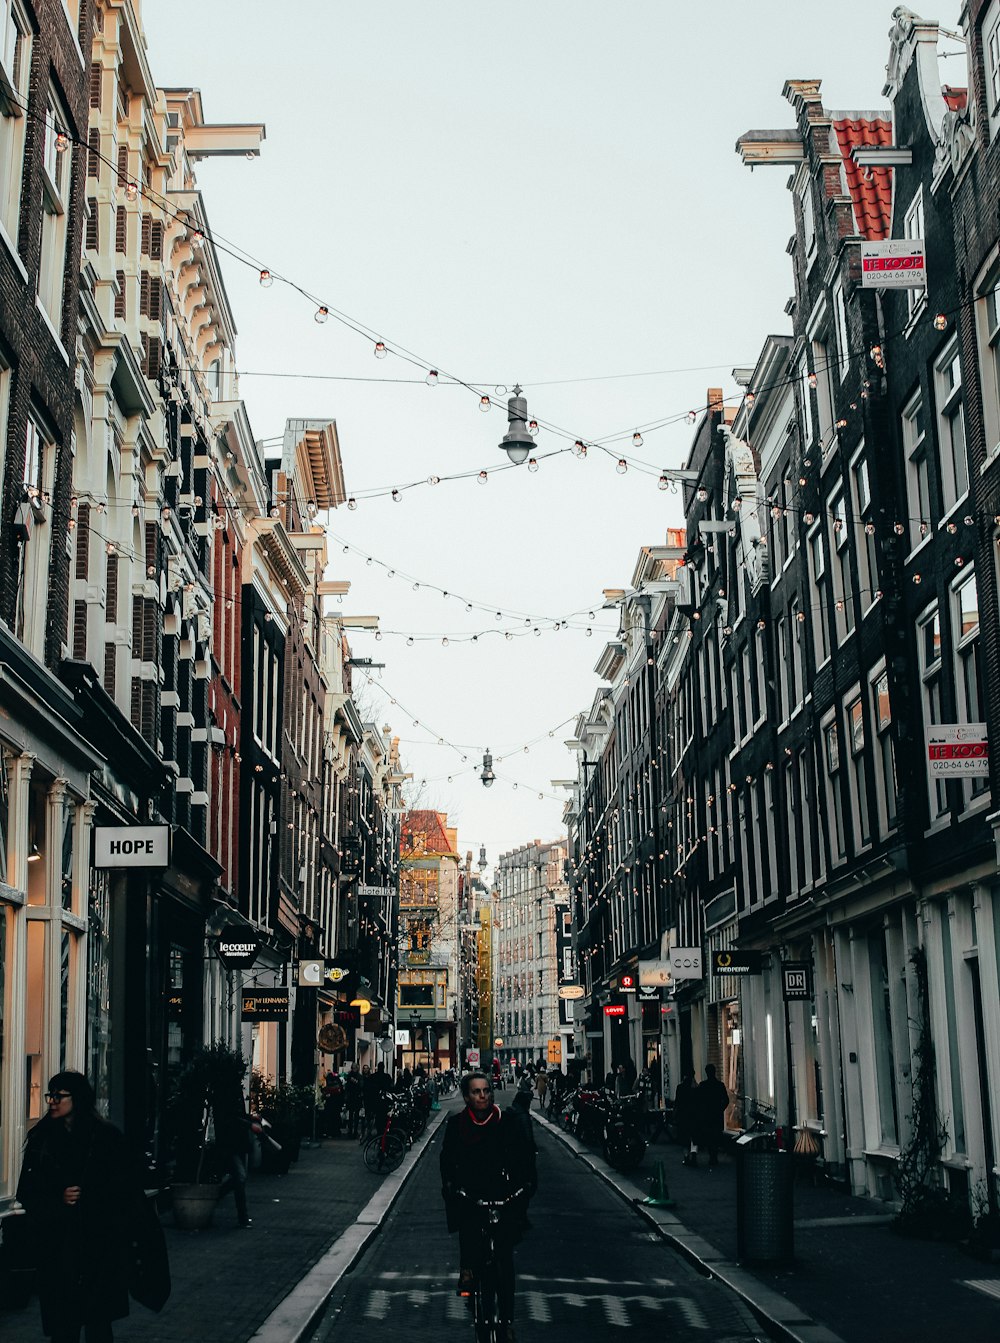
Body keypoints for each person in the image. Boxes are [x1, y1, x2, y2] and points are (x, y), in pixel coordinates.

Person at [16, 1071, 136, 1343]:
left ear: (78, 1099)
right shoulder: (42, 1139)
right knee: (63, 1327)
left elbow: (123, 1192)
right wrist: (58, 1199)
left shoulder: (105, 1137)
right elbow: (27, 1191)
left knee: (98, 1326)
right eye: (50, 1095)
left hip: (98, 1249)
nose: (52, 1102)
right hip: (59, 1249)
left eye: (59, 1096)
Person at [440, 1072, 535, 1343]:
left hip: (502, 1195)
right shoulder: (457, 1125)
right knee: (469, 1230)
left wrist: (522, 1187)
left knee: (505, 1262)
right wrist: (452, 1186)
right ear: (466, 1096)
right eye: (476, 1092)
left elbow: (520, 1158)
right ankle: (468, 1269)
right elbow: (447, 1160)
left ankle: (506, 1320)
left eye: (486, 1090)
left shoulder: (506, 1123)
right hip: (470, 1195)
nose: (482, 1096)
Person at [212, 1070, 253, 1227]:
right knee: (240, 1177)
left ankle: (217, 1196)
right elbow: (232, 1116)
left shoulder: (230, 1091)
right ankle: (242, 1216)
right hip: (232, 1142)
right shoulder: (229, 1092)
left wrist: (250, 1119)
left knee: (239, 1178)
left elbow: (236, 1115)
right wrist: (249, 1123)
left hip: (236, 1141)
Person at [694, 1064, 730, 1167]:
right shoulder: (720, 1085)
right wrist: (720, 1109)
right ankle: (714, 1155)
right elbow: (726, 1100)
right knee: (716, 1135)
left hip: (707, 1114)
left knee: (709, 1135)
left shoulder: (703, 1085)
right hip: (716, 1114)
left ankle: (712, 1155)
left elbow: (698, 1100)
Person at [673, 1070, 698, 1164]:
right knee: (694, 1136)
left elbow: (677, 1102)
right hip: (694, 1115)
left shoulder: (680, 1087)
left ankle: (686, 1157)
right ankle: (694, 1153)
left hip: (683, 1115)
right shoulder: (695, 1087)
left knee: (684, 1136)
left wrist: (675, 1113)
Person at [323, 1068, 344, 1138]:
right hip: (337, 1103)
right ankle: (336, 1131)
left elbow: (326, 1093)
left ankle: (331, 1132)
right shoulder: (337, 1083)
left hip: (331, 1103)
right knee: (336, 1117)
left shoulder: (330, 1085)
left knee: (331, 1118)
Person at [344, 1064, 363, 1139]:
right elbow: (347, 1086)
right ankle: (350, 1131)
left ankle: (355, 1131)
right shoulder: (349, 1075)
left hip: (357, 1097)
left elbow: (361, 1085)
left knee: (356, 1115)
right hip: (351, 1097)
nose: (354, 1069)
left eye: (355, 1068)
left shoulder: (359, 1076)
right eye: (353, 1068)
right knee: (351, 1115)